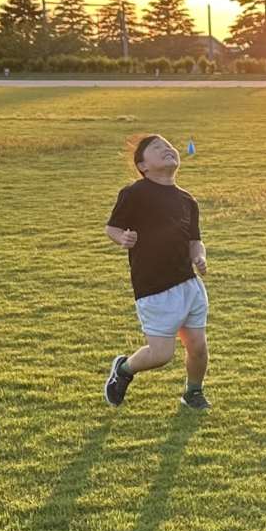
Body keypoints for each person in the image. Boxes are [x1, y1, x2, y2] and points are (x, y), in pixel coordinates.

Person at [103, 134, 210, 410]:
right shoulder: (135, 193)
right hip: (154, 288)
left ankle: (193, 392)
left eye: (169, 146)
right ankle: (124, 369)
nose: (167, 149)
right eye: (157, 147)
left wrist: (198, 257)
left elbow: (194, 240)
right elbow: (112, 227)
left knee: (198, 347)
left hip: (189, 284)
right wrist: (121, 239)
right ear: (143, 165)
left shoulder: (188, 201)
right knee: (162, 354)